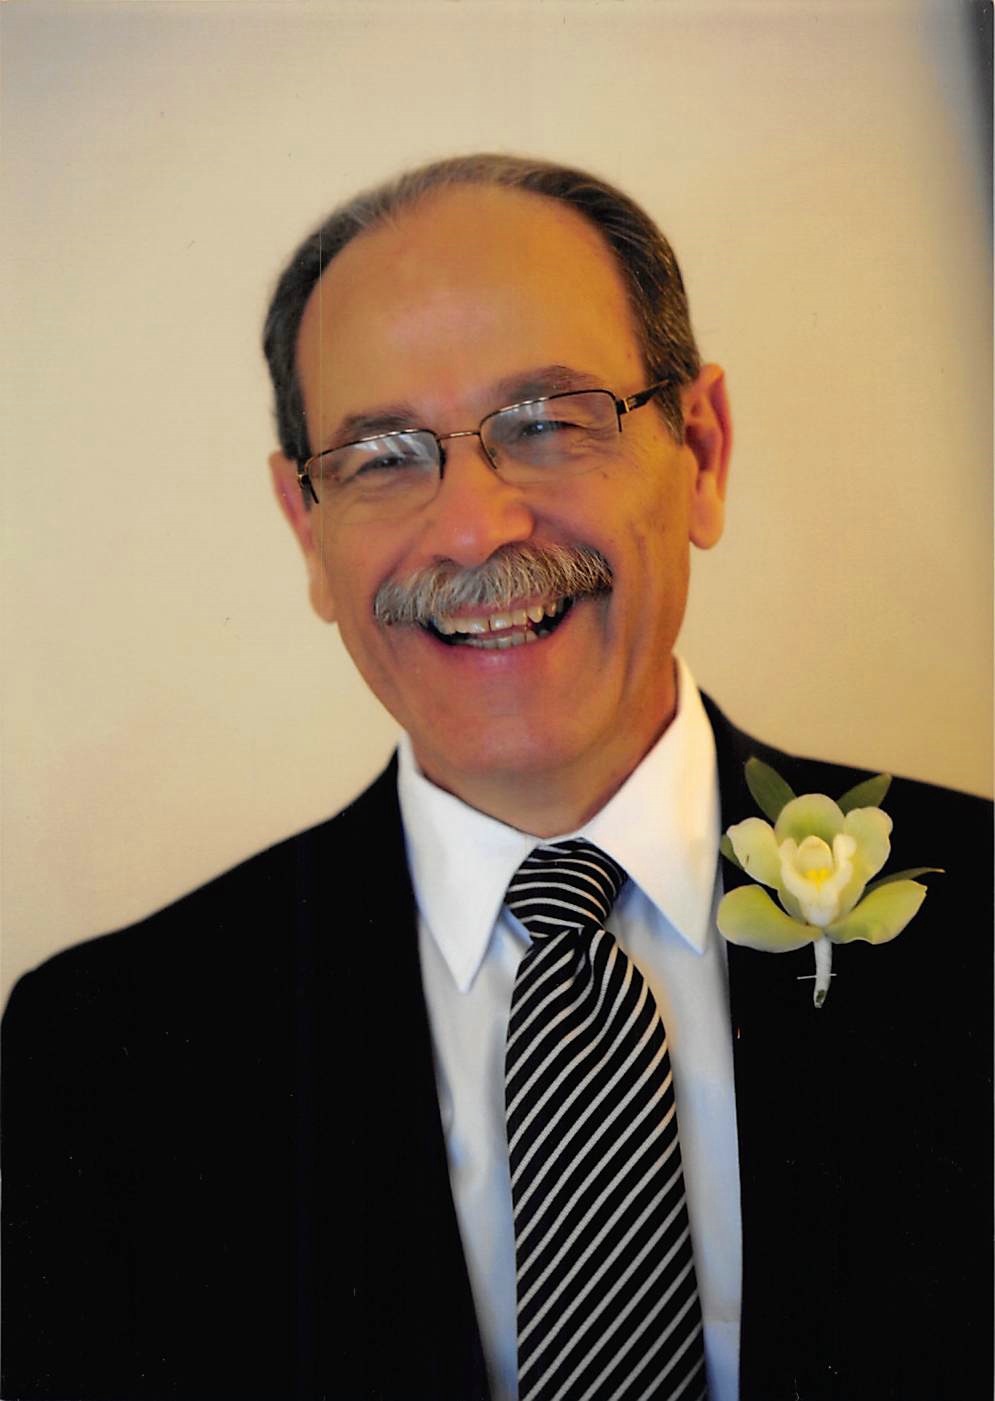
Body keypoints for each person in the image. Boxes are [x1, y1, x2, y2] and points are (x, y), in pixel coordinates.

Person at [2, 155, 989, 1401]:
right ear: (307, 530)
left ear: (699, 451)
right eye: (380, 457)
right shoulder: (106, 1055)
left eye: (545, 422)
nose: (474, 529)